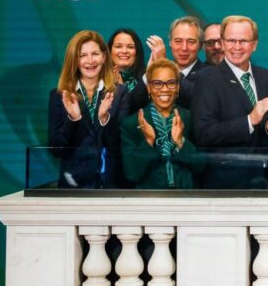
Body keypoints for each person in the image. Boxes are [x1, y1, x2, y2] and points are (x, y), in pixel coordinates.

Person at [190, 15, 268, 188]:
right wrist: (249, 120)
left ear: (254, 44)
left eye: (243, 41)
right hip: (226, 182)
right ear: (222, 42)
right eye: (231, 40)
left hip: (267, 178)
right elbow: (203, 133)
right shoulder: (207, 80)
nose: (236, 47)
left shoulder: (265, 76)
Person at [47, 30, 129, 188]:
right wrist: (73, 119)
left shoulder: (119, 93)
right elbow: (56, 150)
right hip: (74, 185)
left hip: (111, 185)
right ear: (74, 60)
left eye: (95, 54)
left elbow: (120, 146)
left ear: (104, 57)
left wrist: (104, 119)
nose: (90, 61)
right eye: (82, 55)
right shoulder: (59, 95)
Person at [120, 59, 203, 188]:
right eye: (157, 83)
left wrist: (181, 142)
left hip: (187, 196)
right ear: (149, 88)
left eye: (171, 83)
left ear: (178, 87)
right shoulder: (131, 123)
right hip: (150, 199)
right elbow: (132, 174)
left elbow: (201, 168)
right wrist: (148, 141)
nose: (164, 89)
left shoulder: (190, 118)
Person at [145, 16, 208, 107]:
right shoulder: (156, 71)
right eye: (178, 41)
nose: (184, 48)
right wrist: (148, 74)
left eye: (191, 42)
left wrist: (166, 65)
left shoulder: (210, 73)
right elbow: (133, 105)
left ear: (200, 45)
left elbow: (198, 98)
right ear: (170, 43)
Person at [109, 28, 149, 112]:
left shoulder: (147, 79)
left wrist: (121, 89)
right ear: (110, 51)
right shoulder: (100, 79)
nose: (124, 51)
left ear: (137, 52)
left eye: (130, 47)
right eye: (118, 46)